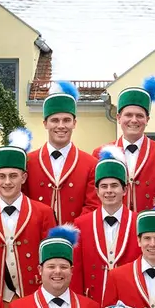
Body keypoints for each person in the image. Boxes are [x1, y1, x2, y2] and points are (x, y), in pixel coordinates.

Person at [0, 145, 54, 303]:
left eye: (13, 176)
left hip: (33, 295)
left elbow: (50, 258)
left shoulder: (44, 212)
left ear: (23, 178)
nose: (7, 182)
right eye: (1, 176)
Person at [69, 158, 140, 303]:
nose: (109, 191)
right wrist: (79, 303)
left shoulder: (139, 222)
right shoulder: (81, 223)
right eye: (104, 186)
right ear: (97, 191)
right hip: (92, 300)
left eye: (114, 186)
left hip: (129, 301)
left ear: (125, 189)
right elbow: (76, 270)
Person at [27, 81, 96, 223]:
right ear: (45, 124)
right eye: (54, 120)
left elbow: (93, 206)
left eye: (66, 120)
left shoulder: (91, 164)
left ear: (74, 123)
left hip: (75, 238)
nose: (61, 126)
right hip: (37, 237)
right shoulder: (28, 161)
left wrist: (70, 233)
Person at [102, 77, 155, 214]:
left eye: (139, 115)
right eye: (128, 115)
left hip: (150, 228)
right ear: (119, 118)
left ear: (147, 119)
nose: (134, 120)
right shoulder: (103, 153)